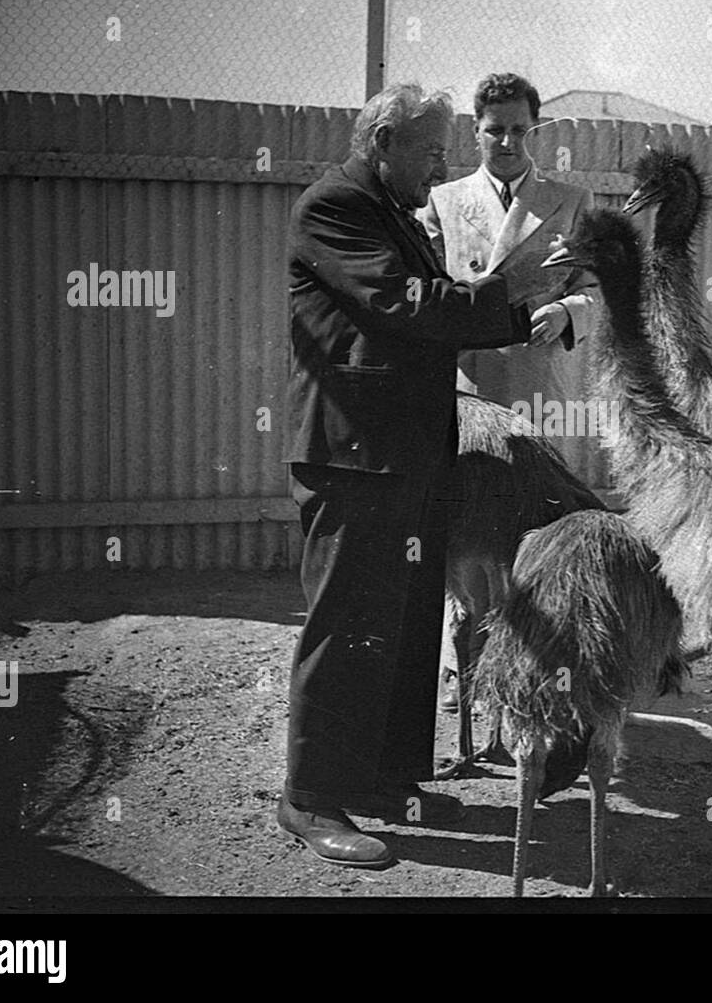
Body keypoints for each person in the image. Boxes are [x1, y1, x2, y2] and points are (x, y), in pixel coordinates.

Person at [279, 82, 530, 866]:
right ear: (382, 141)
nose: (442, 166)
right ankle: (310, 799)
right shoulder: (335, 208)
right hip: (352, 456)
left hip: (407, 453)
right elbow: (409, 303)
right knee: (344, 622)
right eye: (429, 151)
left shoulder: (394, 211)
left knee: (404, 622)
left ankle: (379, 776)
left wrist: (506, 305)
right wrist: (512, 301)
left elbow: (431, 305)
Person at [418, 73, 597, 710]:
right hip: (469, 383)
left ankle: (536, 663)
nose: (507, 142)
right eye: (494, 130)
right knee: (466, 515)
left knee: (535, 520)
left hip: (541, 381)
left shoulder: (570, 201)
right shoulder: (443, 200)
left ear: (536, 131)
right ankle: (457, 661)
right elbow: (427, 290)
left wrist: (572, 309)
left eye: (519, 130)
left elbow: (601, 285)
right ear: (476, 130)